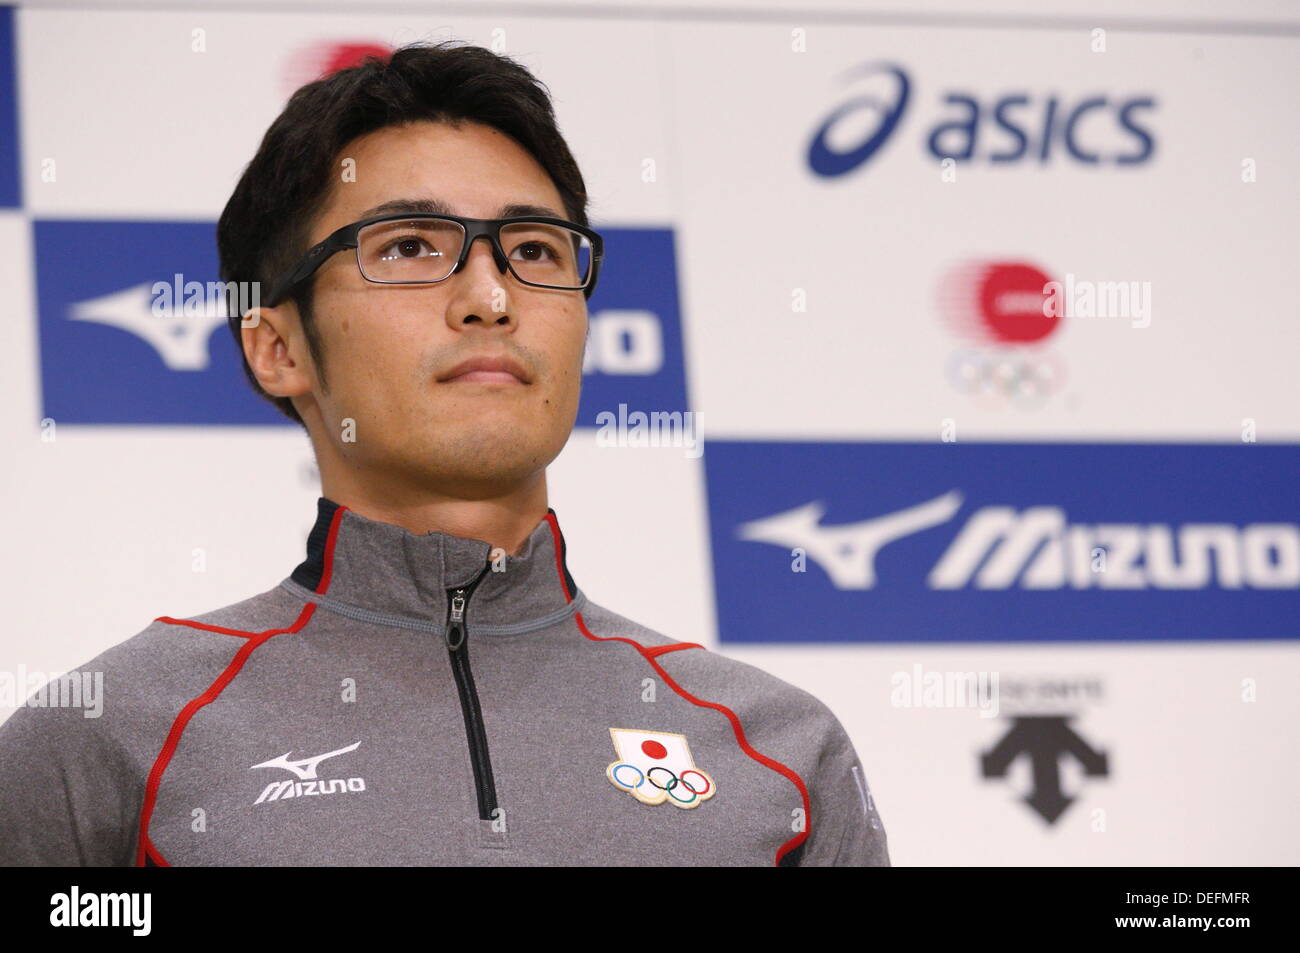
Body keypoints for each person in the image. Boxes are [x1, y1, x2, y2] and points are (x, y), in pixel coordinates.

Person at [0, 41, 889, 866]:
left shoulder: (778, 751)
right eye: (410, 246)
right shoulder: (113, 737)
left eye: (535, 249)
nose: (491, 297)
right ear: (277, 348)